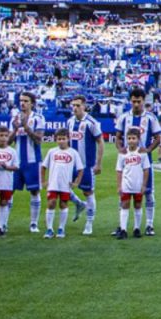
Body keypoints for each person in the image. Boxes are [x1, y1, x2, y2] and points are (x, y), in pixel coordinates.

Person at [115, 88, 161, 236]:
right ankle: (121, 225)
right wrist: (120, 149)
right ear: (130, 101)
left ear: (143, 101)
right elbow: (117, 136)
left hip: (144, 161)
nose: (136, 104)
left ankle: (149, 224)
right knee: (124, 192)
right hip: (128, 161)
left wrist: (148, 150)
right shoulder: (124, 117)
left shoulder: (150, 118)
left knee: (148, 192)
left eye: (139, 101)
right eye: (133, 101)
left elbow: (158, 138)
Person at [66, 95, 104, 235]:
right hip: (70, 165)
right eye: (73, 105)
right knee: (62, 188)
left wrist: (98, 163)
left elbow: (100, 142)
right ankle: (78, 203)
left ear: (84, 106)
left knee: (88, 192)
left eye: (78, 105)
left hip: (86, 165)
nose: (75, 108)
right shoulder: (69, 122)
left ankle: (89, 223)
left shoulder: (91, 122)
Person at [9, 92, 46, 234]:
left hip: (33, 161)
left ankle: (34, 223)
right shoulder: (14, 119)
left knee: (34, 191)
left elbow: (38, 139)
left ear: (32, 103)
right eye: (21, 101)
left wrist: (26, 127)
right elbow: (8, 141)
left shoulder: (38, 118)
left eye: (25, 101)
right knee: (9, 192)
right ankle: (3, 224)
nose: (22, 103)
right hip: (16, 162)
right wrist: (15, 129)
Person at [39, 128, 84, 239]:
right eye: (59, 139)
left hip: (65, 185)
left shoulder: (73, 153)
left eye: (63, 139)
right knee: (51, 203)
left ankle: (61, 228)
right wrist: (43, 181)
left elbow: (80, 169)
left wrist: (76, 182)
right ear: (56, 139)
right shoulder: (52, 151)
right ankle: (49, 229)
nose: (61, 141)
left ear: (68, 139)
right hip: (53, 184)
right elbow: (44, 167)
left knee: (63, 204)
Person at [115, 128, 151, 240]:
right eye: (129, 138)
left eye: (133, 138)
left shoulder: (143, 153)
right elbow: (119, 170)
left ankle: (136, 228)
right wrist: (119, 185)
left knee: (138, 205)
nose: (131, 141)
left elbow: (146, 170)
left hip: (138, 184)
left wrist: (144, 185)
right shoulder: (122, 153)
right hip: (126, 184)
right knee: (125, 205)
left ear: (138, 139)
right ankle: (123, 229)